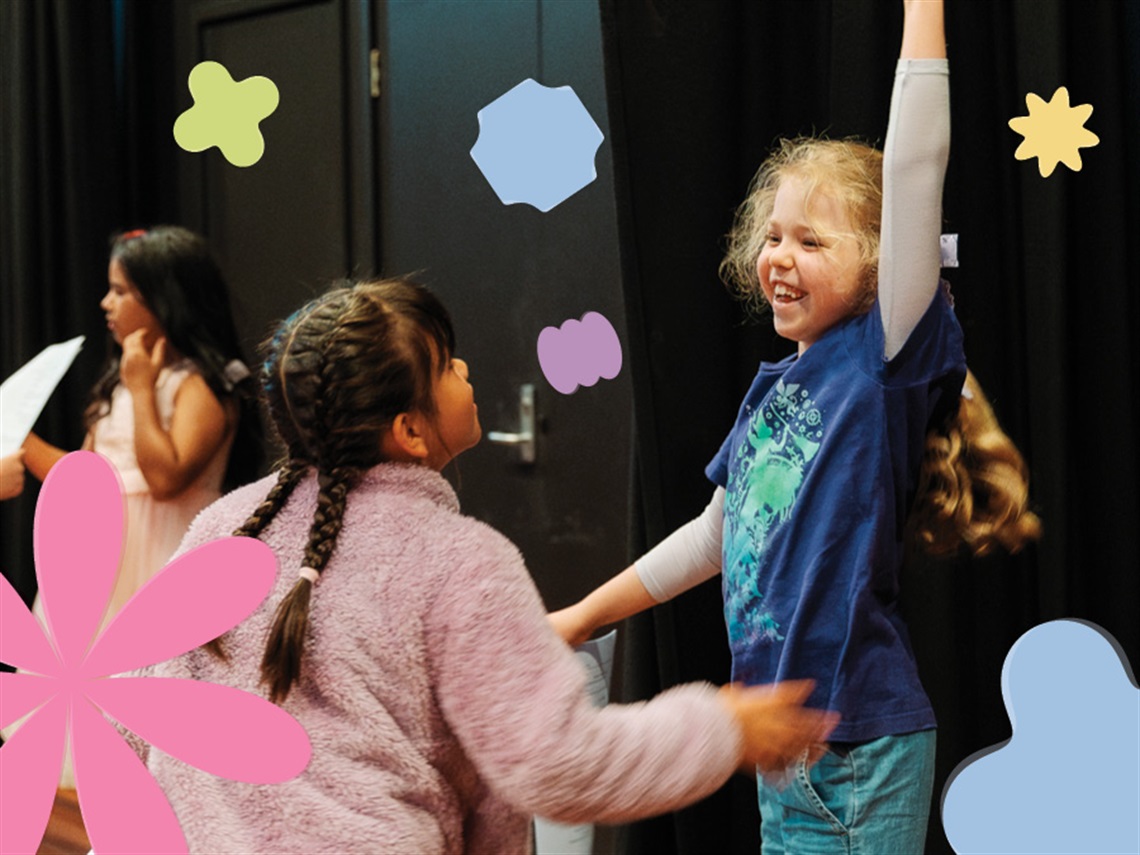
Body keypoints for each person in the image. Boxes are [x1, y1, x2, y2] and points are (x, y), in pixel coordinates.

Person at [550, 2, 1041, 852]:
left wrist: (923, 13)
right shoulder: (775, 390)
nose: (777, 256)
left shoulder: (884, 355)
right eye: (771, 235)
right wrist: (586, 615)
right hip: (784, 743)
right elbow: (717, 534)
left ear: (888, 260)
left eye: (810, 239)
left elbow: (918, 163)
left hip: (861, 747)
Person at [134, 277, 838, 854]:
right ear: (410, 430)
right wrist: (721, 728)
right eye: (446, 366)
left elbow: (137, 711)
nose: (465, 370)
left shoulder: (223, 527)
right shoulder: (458, 561)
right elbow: (558, 763)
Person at [21, 226, 263, 626]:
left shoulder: (196, 385)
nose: (105, 303)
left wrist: (142, 390)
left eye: (120, 292)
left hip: (164, 559)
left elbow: (165, 479)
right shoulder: (123, 384)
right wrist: (18, 435)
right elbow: (81, 478)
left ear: (164, 299)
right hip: (97, 563)